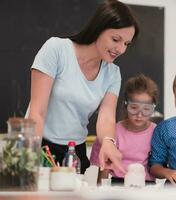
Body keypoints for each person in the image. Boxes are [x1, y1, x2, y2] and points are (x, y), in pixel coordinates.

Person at [27, 0, 139, 174]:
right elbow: (37, 112)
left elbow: (106, 117)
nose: (121, 49)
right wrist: (32, 158)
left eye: (126, 44)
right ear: (99, 28)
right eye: (116, 39)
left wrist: (109, 142)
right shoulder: (56, 49)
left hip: (75, 152)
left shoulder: (113, 73)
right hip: (41, 145)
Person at [89, 74, 159, 184]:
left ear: (153, 108)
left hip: (147, 187)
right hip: (117, 186)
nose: (139, 115)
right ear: (126, 105)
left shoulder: (158, 133)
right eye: (134, 107)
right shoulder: (109, 134)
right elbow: (102, 176)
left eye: (146, 109)